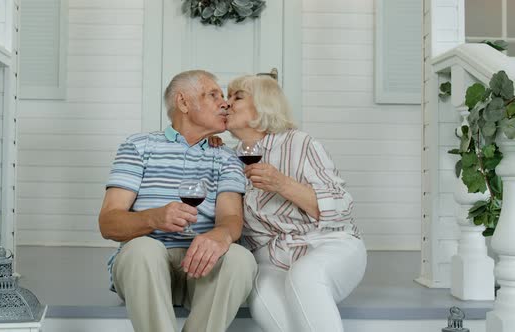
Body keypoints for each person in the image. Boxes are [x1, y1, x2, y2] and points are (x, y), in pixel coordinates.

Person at [99, 70, 257, 332]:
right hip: (145, 270)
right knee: (142, 251)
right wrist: (154, 218)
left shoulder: (226, 157)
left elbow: (231, 218)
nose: (225, 102)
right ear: (183, 103)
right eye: (213, 95)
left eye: (224, 96)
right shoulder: (138, 147)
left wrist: (220, 235)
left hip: (201, 267)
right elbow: (108, 223)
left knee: (240, 259)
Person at [224, 75, 367, 332]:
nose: (227, 103)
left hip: (327, 244)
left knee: (305, 276)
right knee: (261, 298)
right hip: (271, 259)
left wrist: (282, 184)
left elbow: (342, 207)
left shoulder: (300, 143)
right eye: (227, 96)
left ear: (263, 104)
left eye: (237, 96)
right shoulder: (228, 158)